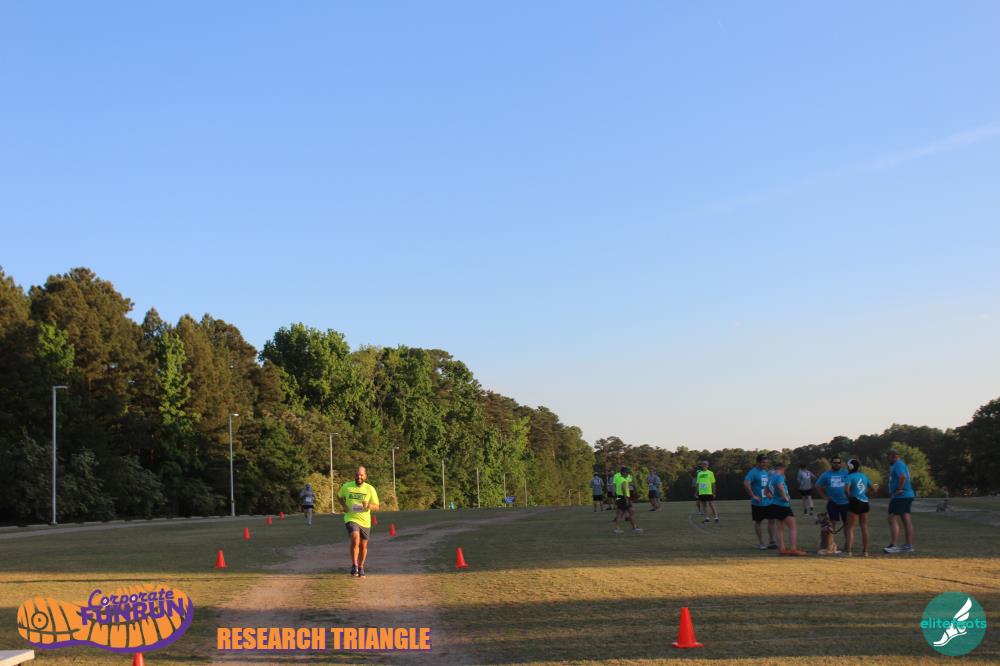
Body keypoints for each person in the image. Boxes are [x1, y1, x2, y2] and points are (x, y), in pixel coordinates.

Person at [337, 466, 380, 577]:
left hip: (365, 521)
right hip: (351, 518)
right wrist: (344, 506)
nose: (359, 477)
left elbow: (377, 507)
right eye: (357, 475)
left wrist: (368, 505)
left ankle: (361, 566)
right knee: (355, 538)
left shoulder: (370, 489)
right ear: (354, 475)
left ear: (365, 476)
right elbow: (339, 496)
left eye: (361, 475)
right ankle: (354, 565)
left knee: (363, 546)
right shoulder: (347, 486)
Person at [767, 461, 805, 555]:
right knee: (792, 526)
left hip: (774, 505)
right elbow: (780, 487)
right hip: (783, 505)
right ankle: (793, 549)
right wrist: (785, 498)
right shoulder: (779, 477)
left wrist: (774, 498)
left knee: (780, 527)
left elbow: (766, 492)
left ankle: (782, 549)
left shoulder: (770, 478)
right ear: (782, 468)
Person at [884, 449, 916, 554]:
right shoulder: (899, 464)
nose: (887, 458)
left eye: (888, 456)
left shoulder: (898, 464)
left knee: (892, 518)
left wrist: (899, 488)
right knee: (906, 519)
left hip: (901, 496)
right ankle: (908, 545)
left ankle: (894, 545)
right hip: (907, 495)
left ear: (894, 456)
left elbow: (903, 476)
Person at [816, 457, 849, 551]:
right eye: (834, 462)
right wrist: (824, 497)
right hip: (833, 503)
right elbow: (817, 486)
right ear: (831, 464)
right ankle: (830, 545)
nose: (836, 464)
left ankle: (848, 546)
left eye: (838, 463)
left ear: (841, 464)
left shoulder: (846, 473)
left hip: (846, 503)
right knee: (832, 525)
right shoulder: (826, 474)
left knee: (847, 525)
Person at [744, 454, 777, 549]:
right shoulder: (753, 472)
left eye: (766, 462)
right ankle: (761, 543)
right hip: (758, 503)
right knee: (758, 522)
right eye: (763, 462)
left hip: (769, 502)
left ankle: (772, 541)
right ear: (758, 462)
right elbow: (746, 484)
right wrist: (753, 496)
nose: (765, 464)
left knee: (772, 520)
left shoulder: (766, 472)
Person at [844, 458, 874, 557]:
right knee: (864, 526)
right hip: (865, 502)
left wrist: (849, 498)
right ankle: (865, 551)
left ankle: (848, 551)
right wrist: (865, 495)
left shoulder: (849, 476)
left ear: (850, 467)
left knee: (850, 527)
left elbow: (846, 490)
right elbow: (873, 489)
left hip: (854, 501)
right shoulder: (864, 476)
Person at [612, 466, 642, 534]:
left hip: (619, 497)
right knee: (629, 513)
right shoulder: (623, 480)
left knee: (621, 513)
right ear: (623, 472)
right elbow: (624, 489)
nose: (628, 474)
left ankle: (618, 528)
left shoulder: (619, 478)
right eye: (626, 472)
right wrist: (626, 499)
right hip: (623, 498)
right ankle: (634, 528)